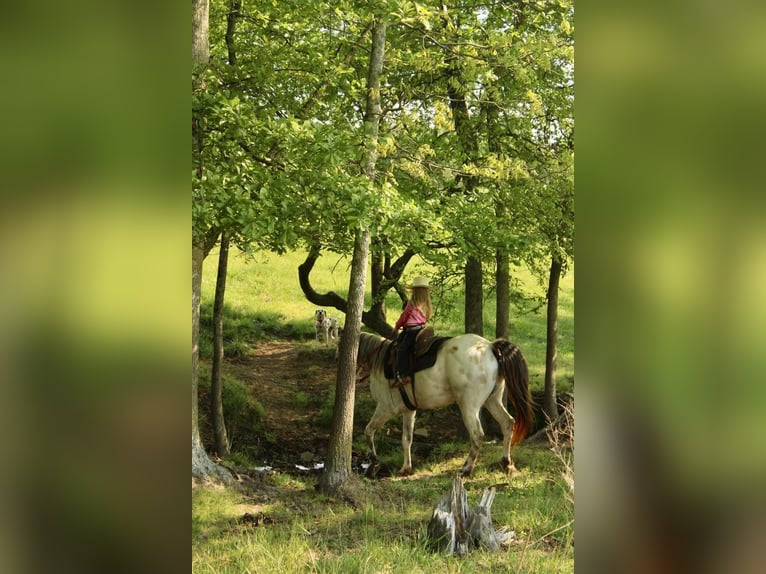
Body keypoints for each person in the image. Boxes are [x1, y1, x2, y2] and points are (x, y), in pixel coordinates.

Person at [392, 276, 433, 387]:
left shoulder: (412, 304)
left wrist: (397, 326)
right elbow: (427, 317)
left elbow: (403, 317)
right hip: (421, 329)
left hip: (411, 332)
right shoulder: (426, 304)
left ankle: (402, 375)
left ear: (415, 292)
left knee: (402, 350)